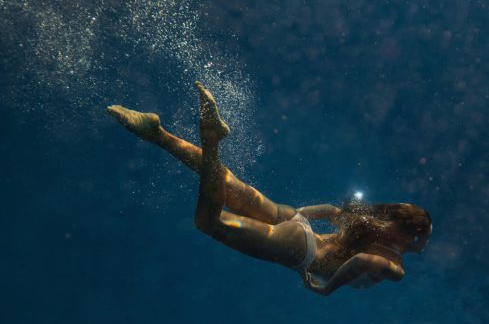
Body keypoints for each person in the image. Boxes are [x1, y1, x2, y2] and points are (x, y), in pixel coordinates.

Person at [107, 83, 432, 295]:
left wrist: (303, 215)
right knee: (209, 222)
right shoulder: (396, 266)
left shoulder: (368, 227)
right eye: (425, 236)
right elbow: (362, 264)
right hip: (300, 248)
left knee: (227, 182)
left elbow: (332, 212)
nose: (426, 243)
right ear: (411, 235)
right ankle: (211, 137)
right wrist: (325, 288)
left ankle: (157, 133)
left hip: (295, 223)